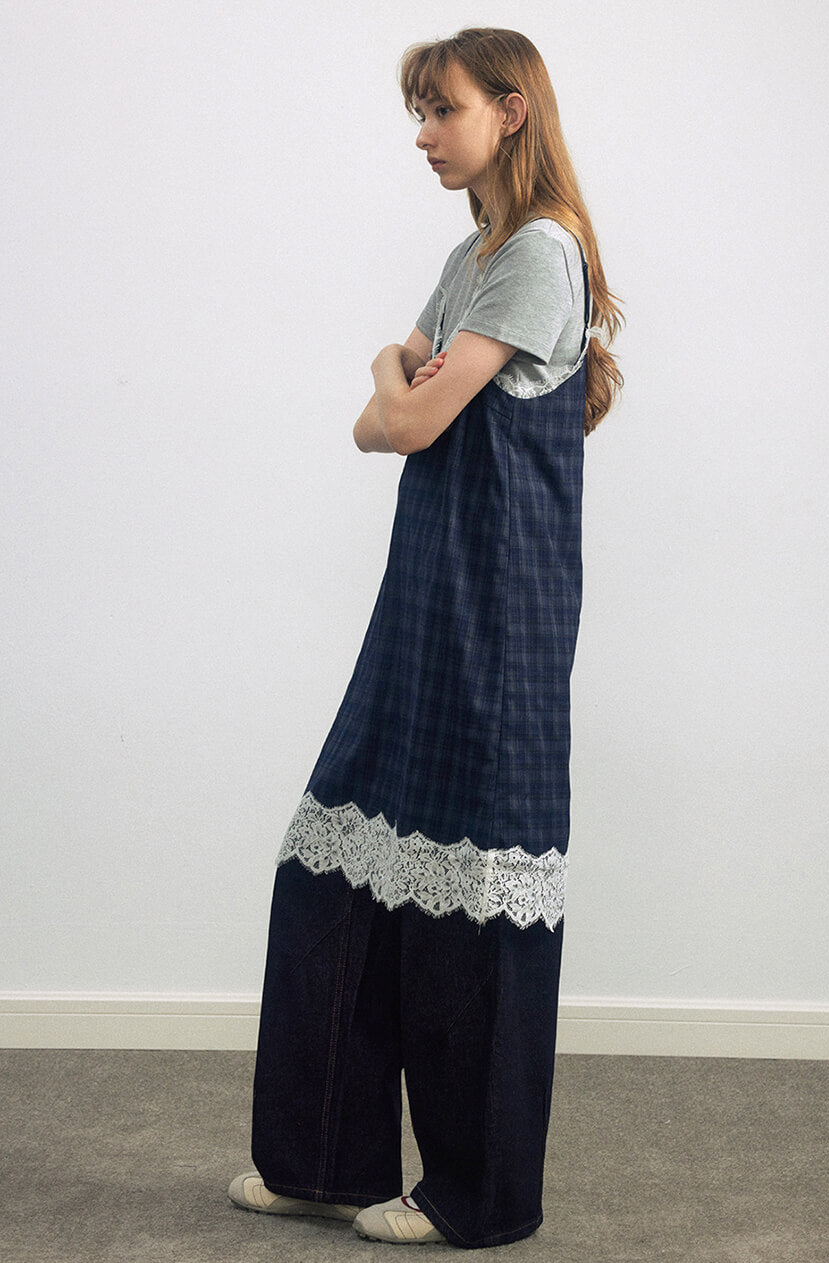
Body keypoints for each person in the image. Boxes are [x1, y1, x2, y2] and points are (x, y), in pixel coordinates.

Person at [229, 27, 623, 1249]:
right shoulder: (473, 256)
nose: (422, 134)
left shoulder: (540, 253)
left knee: (478, 904)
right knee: (333, 872)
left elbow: (401, 417)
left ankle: (475, 1196)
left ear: (510, 110)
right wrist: (397, 378)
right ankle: (324, 1159)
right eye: (417, 111)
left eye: (439, 109)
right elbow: (378, 421)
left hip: (498, 619)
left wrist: (390, 364)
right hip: (422, 608)